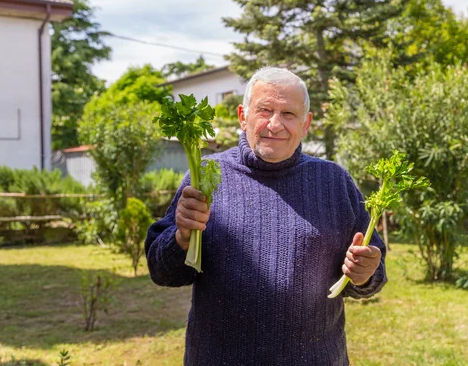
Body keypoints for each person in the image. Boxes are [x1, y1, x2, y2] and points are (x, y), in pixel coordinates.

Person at [145, 67, 387, 365]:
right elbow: (163, 272)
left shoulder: (334, 182)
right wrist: (181, 236)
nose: (275, 124)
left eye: (288, 114)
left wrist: (365, 274)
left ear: (306, 123)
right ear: (242, 116)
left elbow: (372, 269)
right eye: (264, 110)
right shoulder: (206, 176)